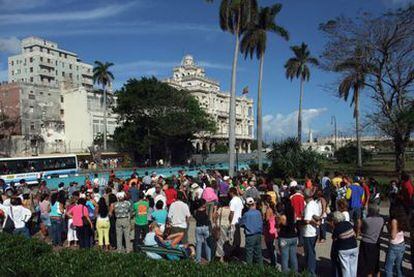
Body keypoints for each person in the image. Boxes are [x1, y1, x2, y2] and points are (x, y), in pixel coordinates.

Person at [329, 211, 358, 277]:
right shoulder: (348, 223)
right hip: (354, 247)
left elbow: (334, 238)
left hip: (344, 249)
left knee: (345, 268)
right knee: (353, 266)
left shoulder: (337, 228)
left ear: (335, 220)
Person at [357, 206, 384, 277]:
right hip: (376, 242)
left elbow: (361, 231)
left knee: (364, 263)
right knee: (375, 262)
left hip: (366, 242)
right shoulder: (381, 219)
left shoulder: (366, 220)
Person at [384, 203, 408, 277]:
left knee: (388, 268)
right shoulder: (403, 218)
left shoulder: (394, 220)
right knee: (398, 266)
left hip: (394, 246)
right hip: (402, 243)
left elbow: (393, 236)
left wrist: (388, 227)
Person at [240, 197, 263, 266]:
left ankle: (250, 269)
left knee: (249, 253)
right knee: (258, 252)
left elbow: (241, 224)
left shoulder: (246, 214)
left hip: (250, 235)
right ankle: (261, 268)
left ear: (246, 205)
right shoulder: (258, 212)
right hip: (258, 234)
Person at [302, 188, 320, 276]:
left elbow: (306, 220)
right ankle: (310, 270)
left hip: (308, 232)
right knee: (311, 252)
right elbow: (317, 216)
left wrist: (313, 221)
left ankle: (310, 272)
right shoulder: (315, 203)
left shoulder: (309, 206)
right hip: (314, 232)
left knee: (309, 253)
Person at [278, 197, 298, 272]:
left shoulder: (283, 216)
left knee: (284, 258)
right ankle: (294, 273)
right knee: (293, 257)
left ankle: (285, 273)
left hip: (284, 237)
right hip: (293, 236)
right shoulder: (293, 213)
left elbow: (278, 225)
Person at [193, 199, 211, 263]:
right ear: (203, 204)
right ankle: (209, 259)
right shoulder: (207, 211)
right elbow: (209, 218)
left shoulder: (195, 211)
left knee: (198, 244)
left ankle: (198, 259)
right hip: (205, 227)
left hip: (198, 228)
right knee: (207, 244)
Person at [263, 195, 277, 267]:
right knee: (272, 246)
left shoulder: (268, 210)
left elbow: (267, 220)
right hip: (273, 229)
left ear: (265, 201)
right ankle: (274, 261)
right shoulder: (273, 208)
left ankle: (273, 263)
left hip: (269, 230)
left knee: (270, 247)